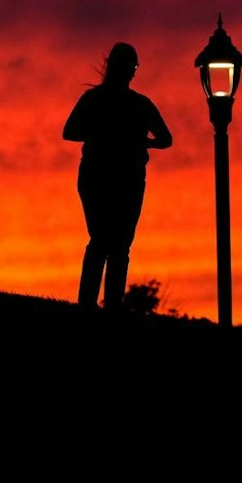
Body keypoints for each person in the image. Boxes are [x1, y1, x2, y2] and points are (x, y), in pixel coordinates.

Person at [63, 42, 172, 313]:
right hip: (106, 177)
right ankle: (95, 305)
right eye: (130, 66)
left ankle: (103, 305)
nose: (131, 71)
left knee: (111, 242)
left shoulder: (122, 102)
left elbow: (166, 139)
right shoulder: (125, 103)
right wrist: (121, 138)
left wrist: (141, 144)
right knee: (109, 241)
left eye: (133, 66)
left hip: (121, 178)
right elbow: (70, 131)